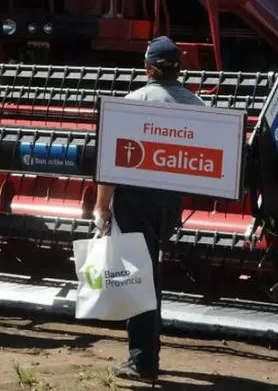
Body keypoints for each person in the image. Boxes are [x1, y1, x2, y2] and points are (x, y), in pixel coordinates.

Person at [93, 36, 206, 382]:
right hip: (169, 204)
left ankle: (143, 361)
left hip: (134, 201)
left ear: (148, 67)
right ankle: (147, 355)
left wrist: (100, 206)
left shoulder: (133, 102)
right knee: (151, 275)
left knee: (138, 278)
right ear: (179, 68)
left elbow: (113, 160)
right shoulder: (197, 105)